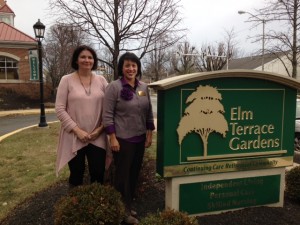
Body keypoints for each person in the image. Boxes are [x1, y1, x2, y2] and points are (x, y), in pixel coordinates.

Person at [103, 52, 155, 224]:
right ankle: (122, 212)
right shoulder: (114, 87)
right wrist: (112, 138)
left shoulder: (143, 88)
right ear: (121, 68)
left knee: (133, 175)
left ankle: (127, 205)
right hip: (123, 140)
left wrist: (149, 134)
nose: (131, 68)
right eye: (127, 65)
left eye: (134, 65)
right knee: (122, 176)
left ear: (138, 67)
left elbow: (148, 113)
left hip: (140, 139)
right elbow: (107, 115)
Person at [55, 45, 108, 187]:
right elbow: (60, 109)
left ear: (94, 61)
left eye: (90, 57)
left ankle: (98, 204)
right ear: (76, 60)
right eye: (83, 57)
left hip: (97, 136)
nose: (87, 60)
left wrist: (100, 129)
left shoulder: (102, 81)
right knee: (76, 174)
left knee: (98, 173)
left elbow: (110, 108)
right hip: (74, 136)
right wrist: (77, 131)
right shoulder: (66, 80)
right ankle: (75, 205)